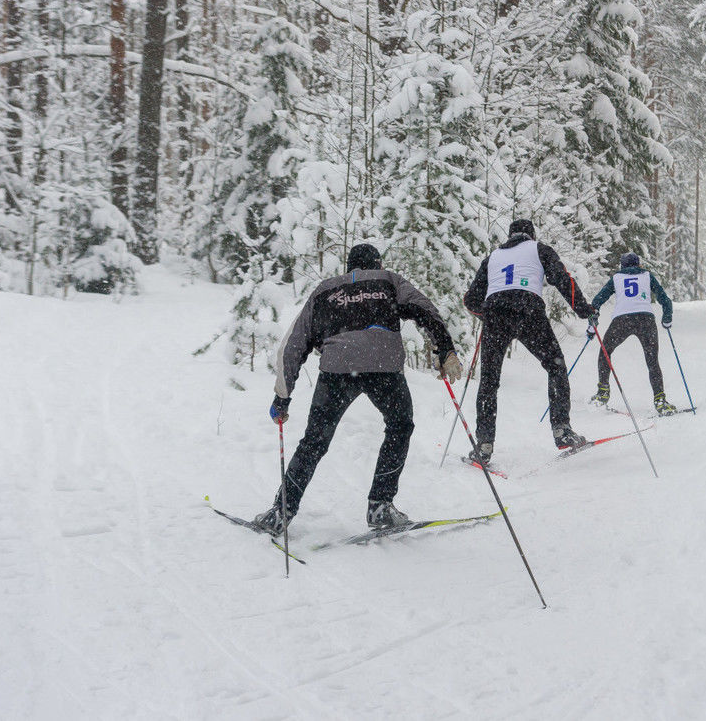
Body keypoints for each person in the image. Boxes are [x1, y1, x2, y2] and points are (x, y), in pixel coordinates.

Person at [251, 243, 462, 535]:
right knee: (400, 425)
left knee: (314, 441)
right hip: (383, 366)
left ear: (349, 267)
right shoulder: (388, 280)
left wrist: (282, 397)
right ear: (376, 263)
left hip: (337, 368)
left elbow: (293, 345)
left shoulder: (325, 291)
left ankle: (281, 512)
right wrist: (444, 350)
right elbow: (424, 309)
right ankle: (381, 506)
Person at [462, 218, 597, 464]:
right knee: (555, 366)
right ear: (531, 235)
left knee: (489, 380)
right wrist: (584, 309)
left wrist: (489, 313)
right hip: (528, 311)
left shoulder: (492, 257)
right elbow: (562, 279)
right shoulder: (539, 249)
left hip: (496, 315)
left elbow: (470, 299)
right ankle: (562, 429)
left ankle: (484, 443)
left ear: (510, 236)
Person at [587, 252, 679, 416]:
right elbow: (665, 299)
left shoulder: (616, 278)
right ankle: (660, 400)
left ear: (622, 266)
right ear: (638, 265)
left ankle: (603, 393)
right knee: (652, 360)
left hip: (622, 320)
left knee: (605, 352)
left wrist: (593, 321)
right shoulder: (647, 275)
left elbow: (597, 300)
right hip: (646, 320)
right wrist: (667, 319)